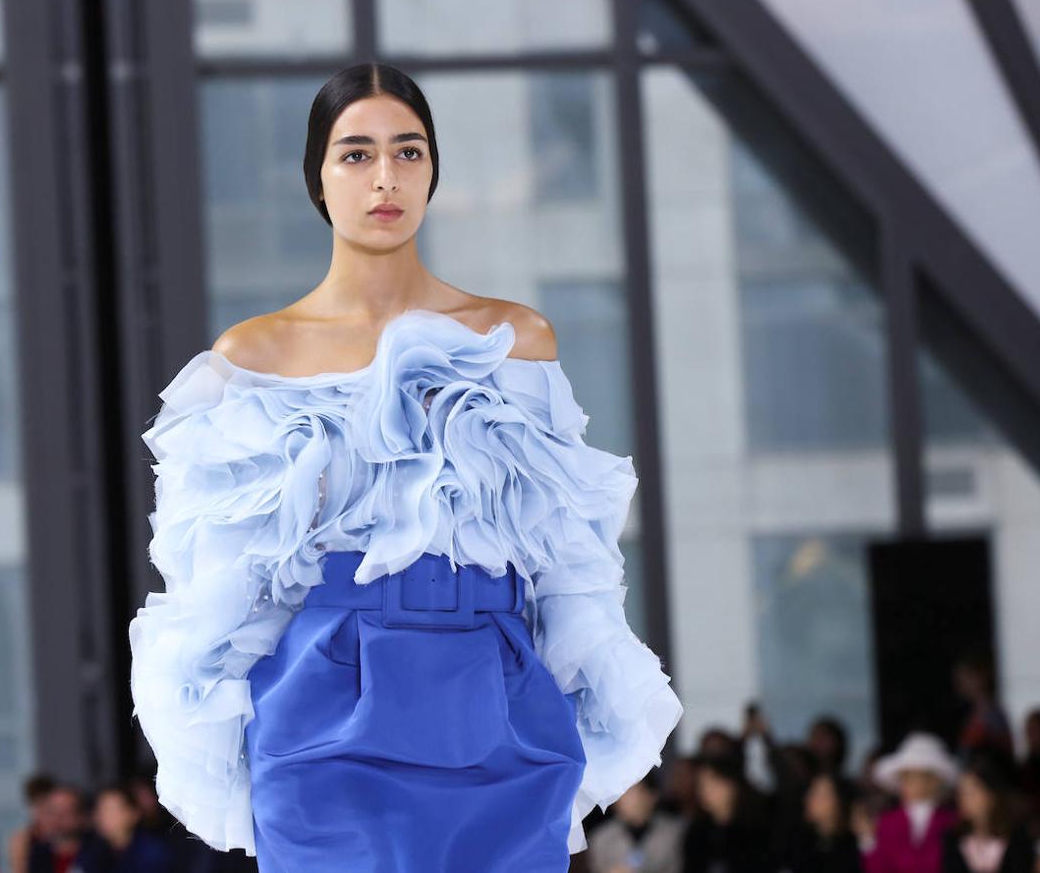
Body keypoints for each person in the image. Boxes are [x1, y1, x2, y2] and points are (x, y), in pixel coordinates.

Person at [127, 61, 684, 872]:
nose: (384, 176)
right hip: (318, 707)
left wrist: (598, 699)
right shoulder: (252, 358)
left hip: (496, 696)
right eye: (355, 154)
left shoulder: (514, 342)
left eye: (408, 151)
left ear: (433, 170)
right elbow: (220, 588)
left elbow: (571, 564)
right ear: (316, 176)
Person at [860, 731, 960, 873]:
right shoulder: (888, 821)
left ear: (932, 780)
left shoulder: (952, 820)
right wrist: (868, 842)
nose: (905, 783)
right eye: (903, 777)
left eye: (913, 777)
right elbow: (877, 867)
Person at [941, 751, 1035, 873]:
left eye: (971, 793)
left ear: (992, 795)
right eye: (961, 793)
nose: (963, 800)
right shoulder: (953, 839)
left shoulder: (1018, 839)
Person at [682, 752, 774, 873]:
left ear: (732, 785)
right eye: (701, 784)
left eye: (714, 783)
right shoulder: (696, 832)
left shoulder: (756, 830)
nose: (705, 790)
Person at [586, 770, 685, 873]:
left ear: (652, 795)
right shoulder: (601, 837)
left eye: (629, 791)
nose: (620, 798)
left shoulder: (674, 832)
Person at [73, 783, 174, 873]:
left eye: (111, 810)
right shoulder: (93, 850)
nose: (102, 816)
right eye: (99, 810)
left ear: (134, 814)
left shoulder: (153, 854)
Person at [786, 772, 862, 873]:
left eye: (820, 795)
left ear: (839, 802)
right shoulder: (797, 841)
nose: (808, 799)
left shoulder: (856, 847)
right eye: (810, 792)